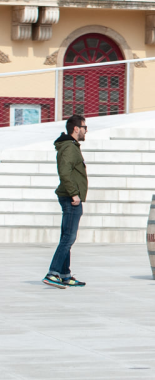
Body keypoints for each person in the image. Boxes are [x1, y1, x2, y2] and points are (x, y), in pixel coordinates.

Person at [43, 115, 89, 289]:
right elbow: (64, 172)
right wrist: (74, 194)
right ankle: (52, 273)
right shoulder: (69, 147)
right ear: (76, 128)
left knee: (67, 237)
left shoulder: (70, 146)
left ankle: (64, 275)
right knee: (68, 238)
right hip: (71, 199)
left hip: (71, 197)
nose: (86, 131)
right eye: (85, 127)